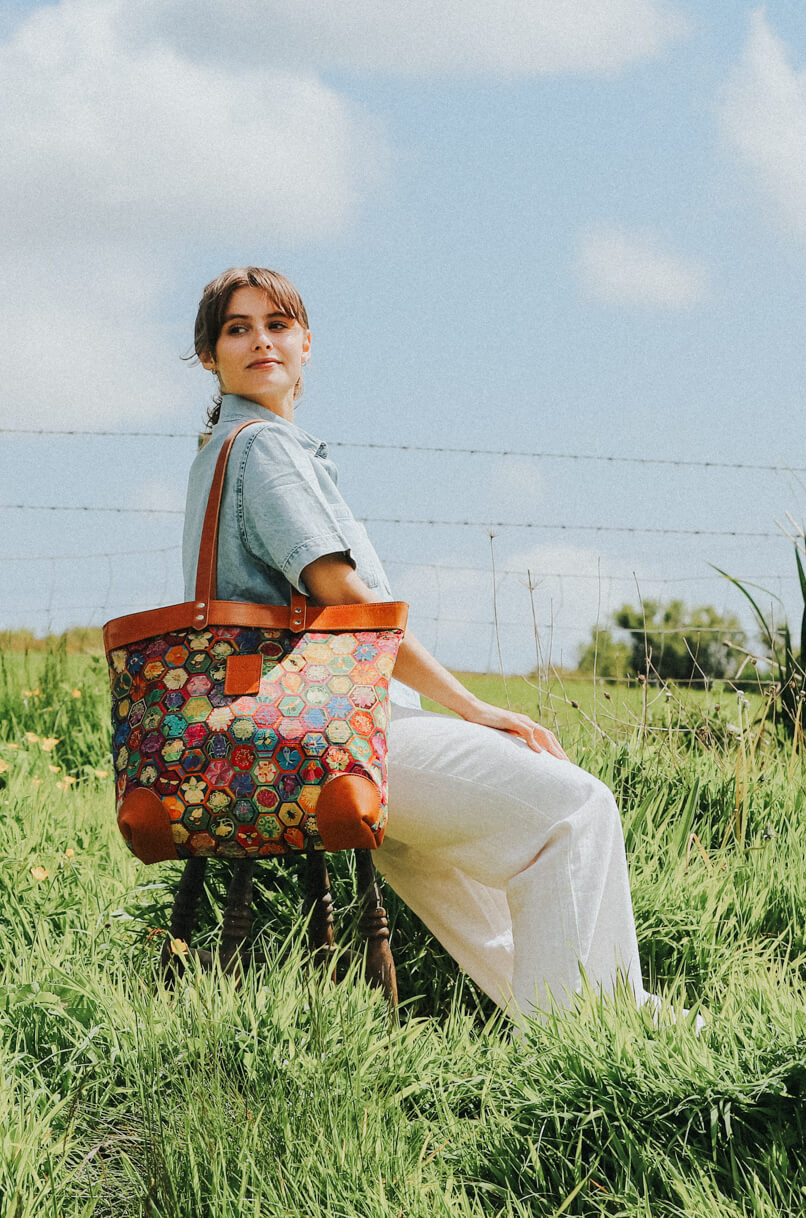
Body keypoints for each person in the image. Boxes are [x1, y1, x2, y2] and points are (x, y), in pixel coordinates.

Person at [183, 265, 653, 1021]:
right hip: (338, 734)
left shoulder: (222, 450)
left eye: (277, 324)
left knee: (505, 924)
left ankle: (630, 1037)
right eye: (238, 329)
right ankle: (595, 1056)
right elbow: (350, 603)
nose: (261, 341)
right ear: (211, 356)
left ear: (306, 343)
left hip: (277, 738)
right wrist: (473, 707)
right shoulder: (264, 448)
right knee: (576, 810)